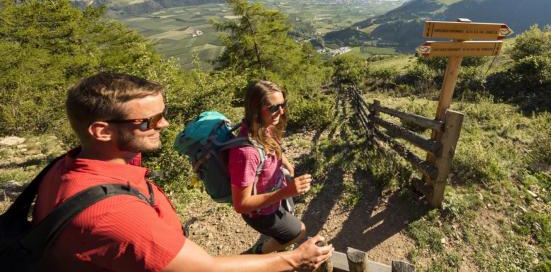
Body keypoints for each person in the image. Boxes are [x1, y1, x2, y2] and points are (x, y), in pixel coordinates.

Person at [32, 72, 332, 271]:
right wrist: (295, 257)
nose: (163, 125)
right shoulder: (114, 214)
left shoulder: (70, 167)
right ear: (101, 131)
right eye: (148, 121)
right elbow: (207, 268)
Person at [229, 81, 311, 254]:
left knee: (289, 230)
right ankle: (254, 256)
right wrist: (286, 192)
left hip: (274, 200)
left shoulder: (265, 128)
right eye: (273, 108)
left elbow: (272, 146)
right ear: (255, 109)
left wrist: (285, 162)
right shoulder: (245, 153)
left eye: (282, 105)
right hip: (261, 214)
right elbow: (241, 204)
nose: (281, 112)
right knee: (299, 231)